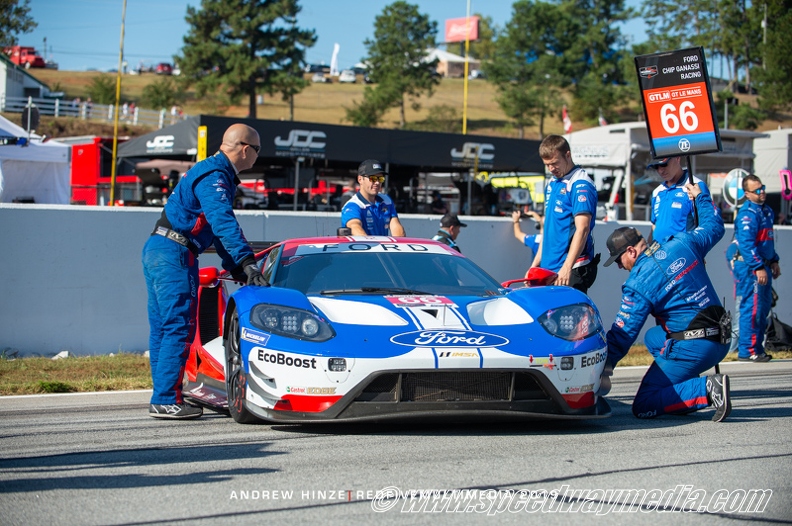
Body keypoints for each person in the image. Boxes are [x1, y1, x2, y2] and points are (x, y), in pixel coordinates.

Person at [142, 123, 266, 420]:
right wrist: (248, 264)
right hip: (175, 252)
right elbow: (223, 222)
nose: (257, 158)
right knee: (177, 326)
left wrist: (237, 267)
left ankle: (164, 394)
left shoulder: (210, 171)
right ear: (245, 149)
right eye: (258, 151)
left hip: (160, 248)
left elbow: (215, 231)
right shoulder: (215, 176)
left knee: (163, 326)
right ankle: (164, 399)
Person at [602, 183, 732, 422]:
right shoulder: (683, 242)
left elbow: (623, 334)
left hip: (697, 345)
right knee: (653, 338)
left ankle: (707, 389)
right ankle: (682, 385)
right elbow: (714, 226)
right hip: (722, 337)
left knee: (644, 403)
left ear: (631, 251)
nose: (619, 266)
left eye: (618, 260)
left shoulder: (639, 282)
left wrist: (602, 365)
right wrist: (701, 196)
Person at [531, 135, 599, 293]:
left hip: (570, 269)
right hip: (549, 268)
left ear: (567, 155)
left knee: (569, 318)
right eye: (547, 165)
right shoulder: (553, 182)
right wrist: (535, 264)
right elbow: (549, 227)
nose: (551, 169)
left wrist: (567, 267)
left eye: (554, 163)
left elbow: (583, 229)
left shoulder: (580, 183)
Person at [727, 174, 781, 362]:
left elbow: (768, 242)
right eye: (757, 190)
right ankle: (747, 350)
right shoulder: (747, 214)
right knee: (752, 308)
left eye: (763, 187)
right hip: (749, 267)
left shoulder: (766, 211)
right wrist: (758, 267)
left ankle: (757, 348)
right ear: (748, 194)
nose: (762, 192)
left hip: (763, 265)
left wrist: (774, 261)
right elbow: (746, 244)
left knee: (763, 308)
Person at [647, 156, 711, 243]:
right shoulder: (657, 192)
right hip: (657, 253)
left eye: (664, 164)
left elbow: (707, 226)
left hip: (682, 253)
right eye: (656, 167)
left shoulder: (695, 186)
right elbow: (654, 226)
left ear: (677, 158)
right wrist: (648, 251)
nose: (660, 170)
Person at [341, 159, 405, 236]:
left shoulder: (386, 200)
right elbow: (355, 228)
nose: (377, 182)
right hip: (363, 247)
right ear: (360, 179)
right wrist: (371, 245)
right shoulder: (352, 206)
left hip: (383, 247)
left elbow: (397, 229)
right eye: (373, 178)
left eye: (380, 179)